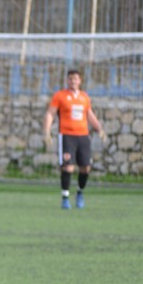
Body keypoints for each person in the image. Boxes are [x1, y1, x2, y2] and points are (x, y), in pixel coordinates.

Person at [43, 69, 108, 209]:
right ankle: (65, 197)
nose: (73, 81)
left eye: (75, 79)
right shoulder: (60, 96)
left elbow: (89, 114)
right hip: (67, 136)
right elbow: (50, 113)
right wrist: (46, 131)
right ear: (67, 81)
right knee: (68, 166)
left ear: (80, 81)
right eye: (70, 79)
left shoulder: (84, 97)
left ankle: (80, 192)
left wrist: (99, 129)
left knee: (86, 168)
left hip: (83, 136)